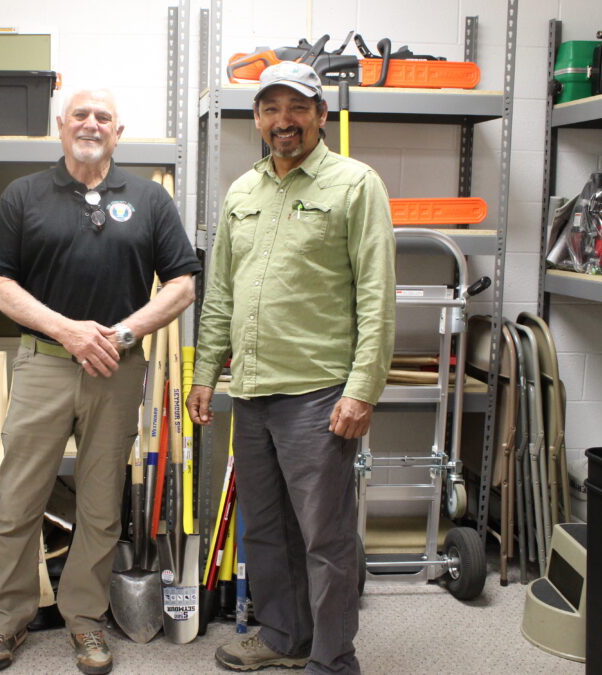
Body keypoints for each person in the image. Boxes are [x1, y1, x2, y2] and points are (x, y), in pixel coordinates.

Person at [0, 88, 200, 675]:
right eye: (81, 114)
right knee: (18, 497)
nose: (91, 124)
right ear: (61, 125)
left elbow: (182, 285)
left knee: (101, 506)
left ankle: (85, 620)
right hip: (45, 362)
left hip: (117, 371)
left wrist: (122, 335)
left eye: (104, 117)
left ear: (118, 131)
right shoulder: (24, 195)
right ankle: (8, 619)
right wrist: (69, 332)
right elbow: (1, 286)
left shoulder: (149, 199)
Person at [187, 61, 396, 675]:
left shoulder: (355, 185)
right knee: (266, 531)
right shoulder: (242, 192)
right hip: (251, 390)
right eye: (271, 109)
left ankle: (333, 659)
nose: (284, 121)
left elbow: (377, 296)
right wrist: (205, 374)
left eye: (297, 108)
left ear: (320, 116)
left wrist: (362, 390)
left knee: (325, 540)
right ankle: (284, 634)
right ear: (256, 118)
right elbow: (220, 292)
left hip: (319, 393)